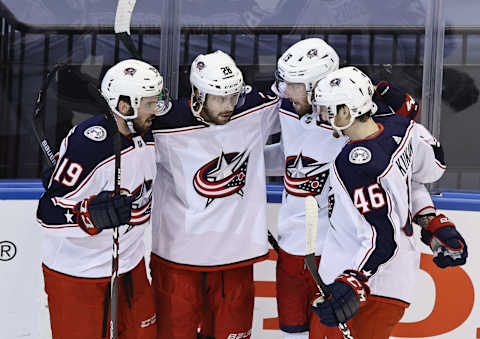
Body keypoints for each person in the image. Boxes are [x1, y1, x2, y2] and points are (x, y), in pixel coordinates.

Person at [264, 37, 429, 339]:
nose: (285, 92)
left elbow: (406, 171)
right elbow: (291, 156)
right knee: (292, 333)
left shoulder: (357, 121)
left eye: (294, 84)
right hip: (291, 247)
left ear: (316, 86)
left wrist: (430, 219)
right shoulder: (290, 107)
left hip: (334, 255)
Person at [308, 66, 467, 339]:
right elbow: (424, 173)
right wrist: (430, 221)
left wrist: (353, 281)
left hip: (368, 288)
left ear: (346, 112)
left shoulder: (355, 163)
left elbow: (384, 239)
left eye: (327, 110)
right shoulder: (401, 129)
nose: (322, 117)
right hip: (389, 282)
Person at [150, 50, 281, 339]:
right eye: (220, 98)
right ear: (197, 93)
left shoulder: (253, 111)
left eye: (233, 96)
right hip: (177, 261)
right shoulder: (163, 124)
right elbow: (123, 147)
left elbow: (303, 102)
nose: (228, 106)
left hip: (236, 261)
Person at [36, 59, 170, 339]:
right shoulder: (89, 146)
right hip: (78, 276)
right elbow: (47, 212)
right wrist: (89, 215)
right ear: (124, 106)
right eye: (149, 103)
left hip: (130, 268)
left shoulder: (151, 133)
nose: (156, 109)